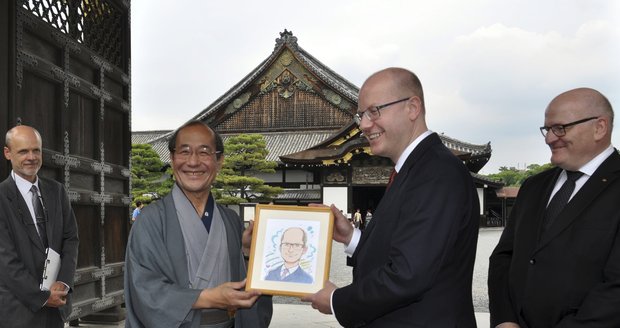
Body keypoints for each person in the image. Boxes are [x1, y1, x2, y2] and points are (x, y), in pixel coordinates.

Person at [302, 67, 480, 327]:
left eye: (374, 111)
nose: (363, 124)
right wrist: (351, 236)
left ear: (412, 108)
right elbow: (403, 250)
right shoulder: (415, 169)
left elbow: (408, 274)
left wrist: (336, 301)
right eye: (361, 114)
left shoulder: (436, 173)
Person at [488, 88, 620, 328]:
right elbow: (503, 257)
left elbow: (615, 291)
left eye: (560, 128)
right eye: (547, 130)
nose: (549, 138)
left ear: (599, 127)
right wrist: (505, 319)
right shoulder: (534, 186)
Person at [124, 121, 272, 328]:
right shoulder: (151, 220)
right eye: (184, 152)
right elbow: (145, 290)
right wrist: (209, 297)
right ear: (172, 159)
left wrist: (247, 253)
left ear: (219, 160)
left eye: (204, 152)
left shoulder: (230, 220)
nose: (193, 162)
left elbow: (249, 290)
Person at [0, 125, 79, 328]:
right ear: (7, 153)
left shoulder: (57, 191)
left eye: (36, 150)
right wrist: (42, 297)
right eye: (23, 151)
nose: (31, 157)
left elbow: (70, 239)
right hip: (18, 312)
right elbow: (5, 261)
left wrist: (63, 283)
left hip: (55, 311)